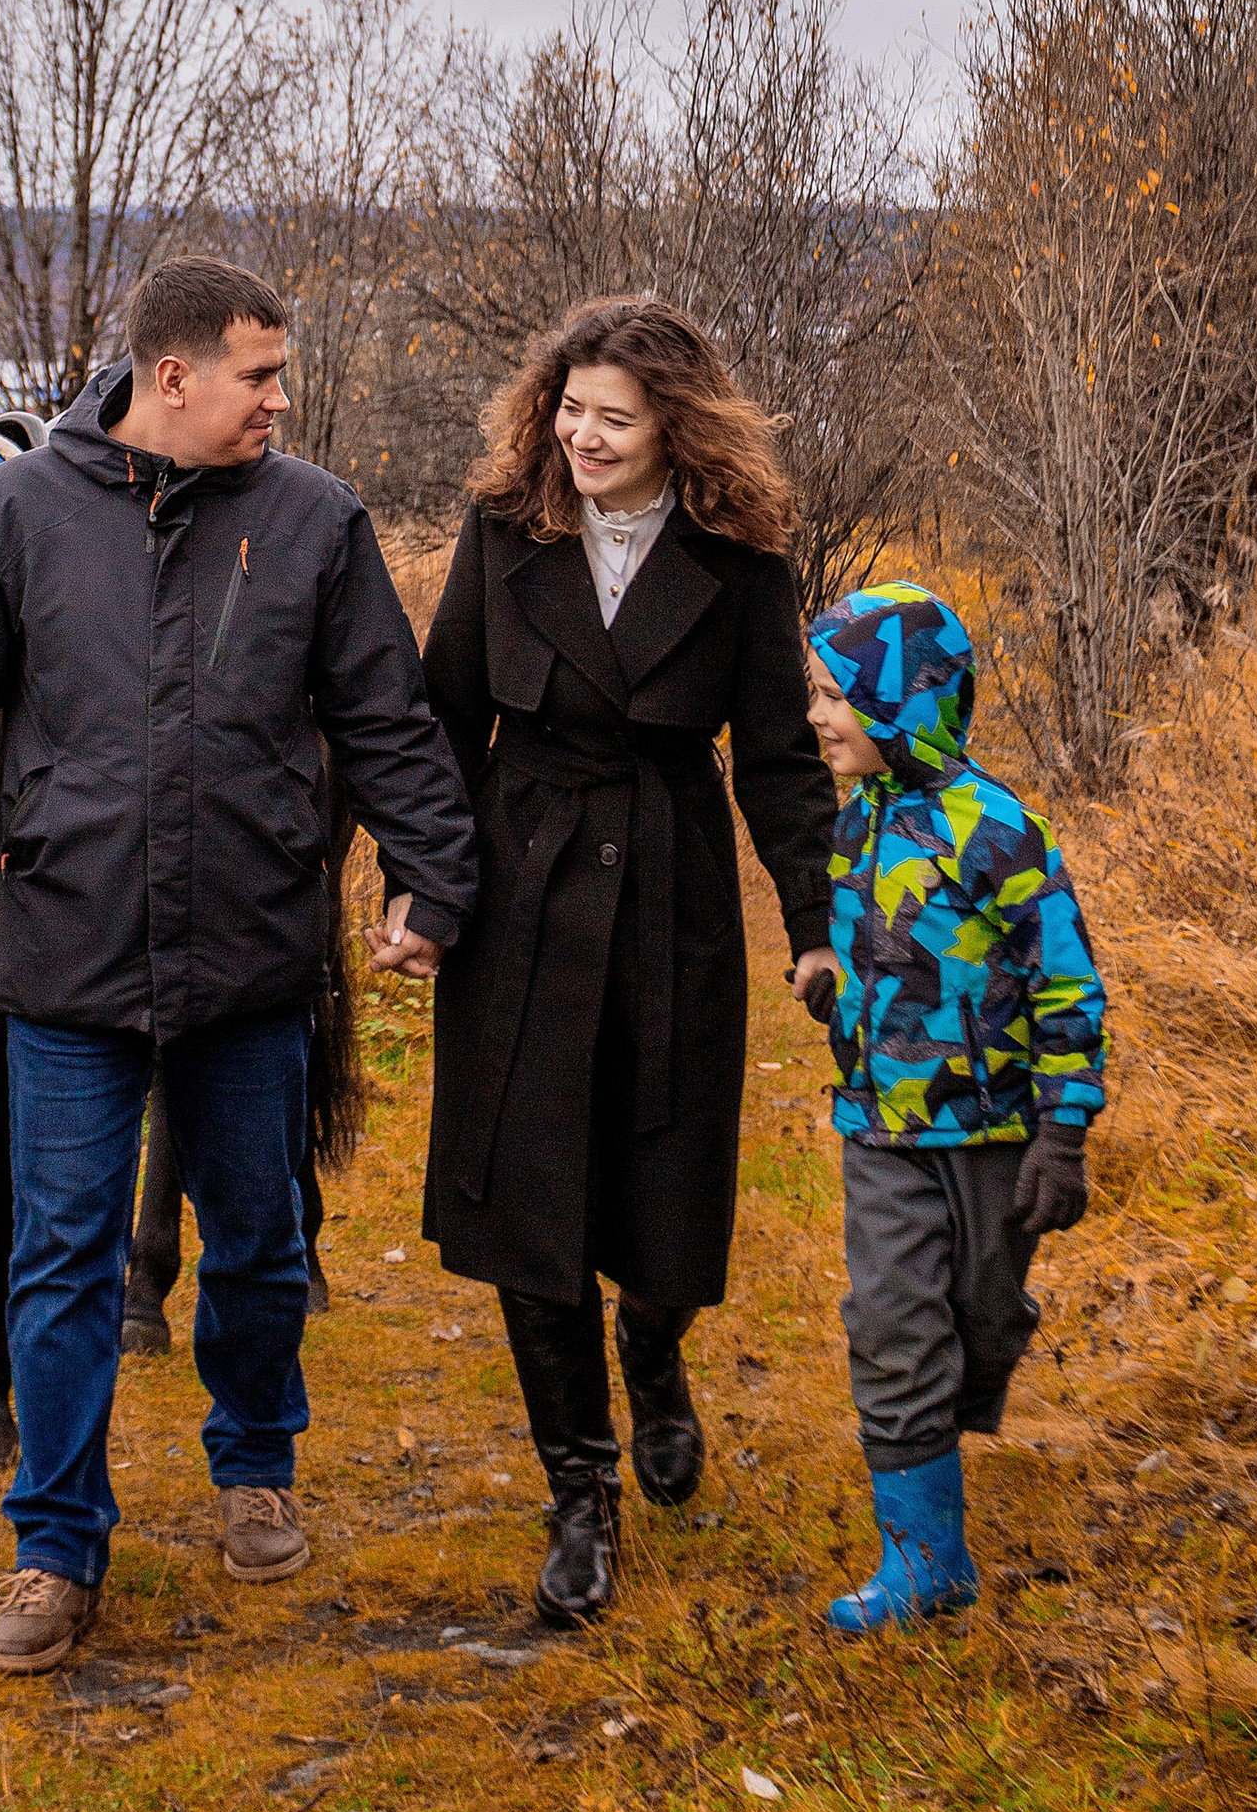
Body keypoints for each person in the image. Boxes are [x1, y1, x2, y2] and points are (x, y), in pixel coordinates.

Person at [0, 255, 477, 1676]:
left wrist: (433, 877)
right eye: (258, 375)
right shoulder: (15, 514)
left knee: (258, 1245)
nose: (280, 399)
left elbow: (383, 718)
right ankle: (54, 1544)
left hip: (250, 960)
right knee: (58, 1256)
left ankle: (255, 1458)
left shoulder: (315, 520)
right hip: (65, 958)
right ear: (172, 373)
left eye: (280, 375)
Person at [418, 297, 839, 1627]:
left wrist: (822, 929)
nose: (584, 436)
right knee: (530, 1201)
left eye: (616, 415)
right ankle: (579, 1490)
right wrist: (427, 894)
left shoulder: (742, 565)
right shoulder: (502, 535)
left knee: (666, 1199)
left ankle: (654, 1352)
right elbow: (441, 727)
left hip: (673, 899)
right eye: (570, 409)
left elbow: (777, 763)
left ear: (676, 426)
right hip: (522, 894)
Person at [803, 577, 1107, 1633]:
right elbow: (874, 957)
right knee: (892, 1324)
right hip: (881, 1134)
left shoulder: (999, 832)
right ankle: (923, 1563)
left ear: (899, 701)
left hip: (992, 1133)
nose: (818, 715)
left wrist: (1062, 1134)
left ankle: (958, 1388)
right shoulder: (853, 831)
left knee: (981, 1313)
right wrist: (833, 1001)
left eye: (835, 695)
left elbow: (1065, 982)